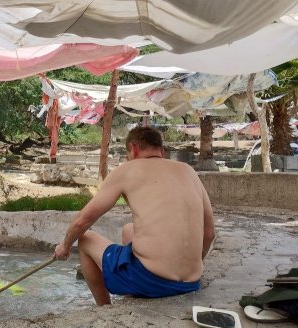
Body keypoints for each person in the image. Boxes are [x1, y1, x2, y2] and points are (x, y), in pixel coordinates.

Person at [54, 126, 215, 305]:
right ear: (161, 151)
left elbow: (82, 222)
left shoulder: (127, 170)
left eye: (128, 154)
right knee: (128, 230)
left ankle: (104, 309)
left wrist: (65, 246)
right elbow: (209, 234)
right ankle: (132, 293)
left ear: (134, 148)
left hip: (152, 281)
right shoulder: (189, 171)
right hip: (191, 283)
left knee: (85, 239)